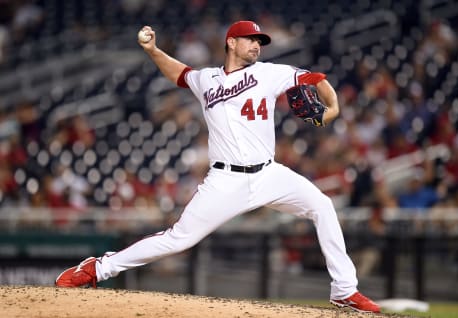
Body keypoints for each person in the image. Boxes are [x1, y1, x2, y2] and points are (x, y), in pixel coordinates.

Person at [55, 20, 380, 313]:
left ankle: (344, 290)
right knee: (178, 239)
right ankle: (97, 269)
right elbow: (179, 74)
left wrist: (332, 108)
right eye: (250, 39)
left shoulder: (268, 72)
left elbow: (314, 78)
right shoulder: (206, 79)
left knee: (322, 206)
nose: (256, 45)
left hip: (268, 173)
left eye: (259, 41)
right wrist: (153, 50)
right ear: (231, 43)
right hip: (225, 180)